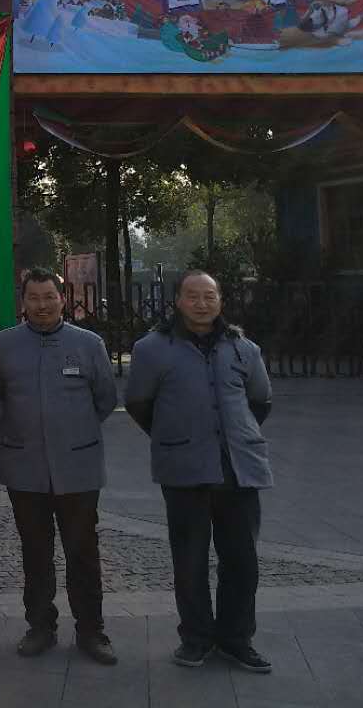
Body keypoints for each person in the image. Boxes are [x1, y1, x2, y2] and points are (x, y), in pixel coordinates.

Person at [125, 270, 274, 674]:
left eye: (210, 296)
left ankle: (236, 639)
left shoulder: (244, 348)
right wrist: (175, 436)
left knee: (242, 561)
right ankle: (196, 638)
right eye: (193, 296)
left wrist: (232, 435)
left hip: (238, 470)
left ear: (221, 301)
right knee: (190, 561)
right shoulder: (151, 349)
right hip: (184, 471)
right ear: (177, 300)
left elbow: (260, 401)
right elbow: (138, 403)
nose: (202, 303)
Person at [0, 268, 118, 665]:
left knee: (83, 551)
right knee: (35, 552)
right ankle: (40, 626)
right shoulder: (2, 346)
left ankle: (91, 630)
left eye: (49, 297)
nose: (42, 305)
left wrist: (70, 431)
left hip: (77, 466)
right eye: (34, 297)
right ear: (23, 302)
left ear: (63, 300)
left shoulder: (89, 344)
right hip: (24, 466)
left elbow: (105, 399)